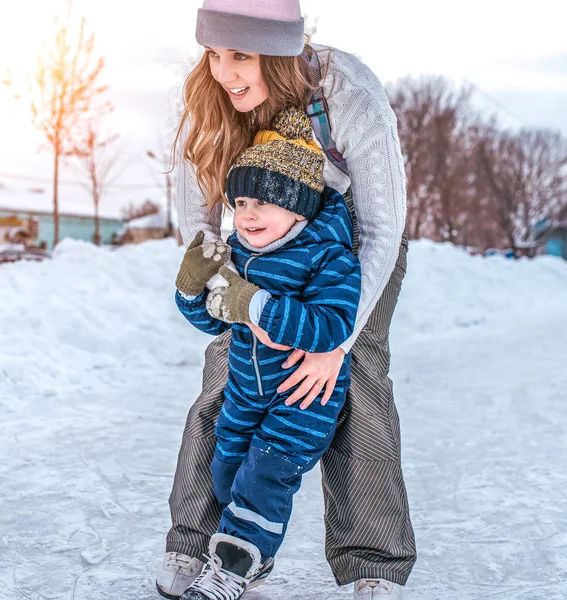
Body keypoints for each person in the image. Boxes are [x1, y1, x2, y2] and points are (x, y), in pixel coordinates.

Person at [158, 1, 417, 599]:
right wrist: (213, 285)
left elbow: (380, 228)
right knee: (229, 369)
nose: (224, 71)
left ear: (280, 52)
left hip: (352, 246)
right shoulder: (207, 95)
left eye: (240, 54)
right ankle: (202, 540)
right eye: (214, 52)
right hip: (254, 238)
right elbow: (199, 218)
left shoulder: (346, 93)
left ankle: (371, 557)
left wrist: (338, 342)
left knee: (354, 382)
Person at [173, 106, 361, 600]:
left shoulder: (327, 257)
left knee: (264, 477)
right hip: (244, 392)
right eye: (241, 203)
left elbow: (332, 326)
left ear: (298, 208)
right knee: (227, 472)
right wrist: (193, 290)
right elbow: (214, 320)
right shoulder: (240, 253)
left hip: (303, 396)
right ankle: (254, 556)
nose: (248, 214)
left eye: (262, 202)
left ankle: (231, 569)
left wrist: (255, 302)